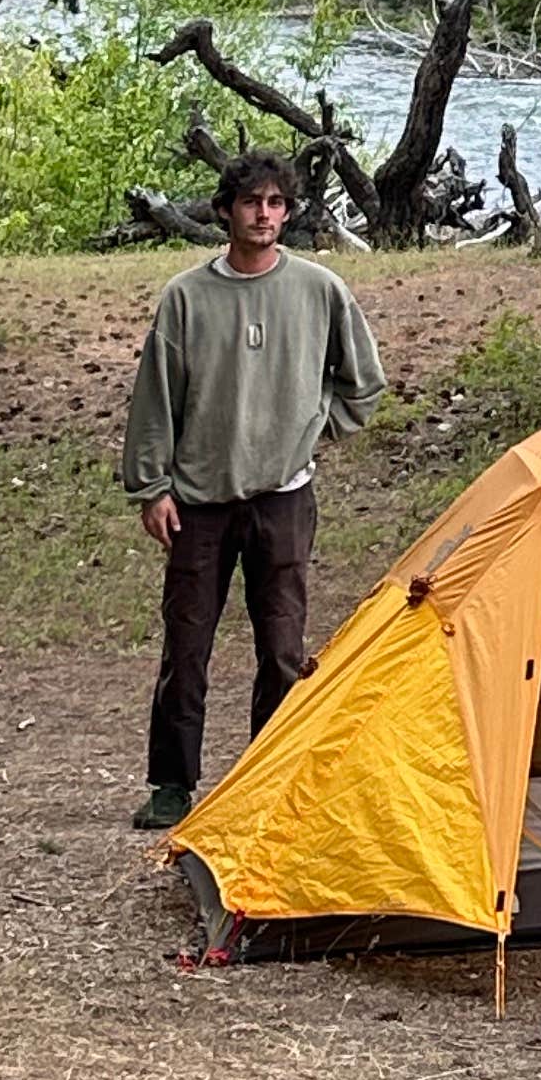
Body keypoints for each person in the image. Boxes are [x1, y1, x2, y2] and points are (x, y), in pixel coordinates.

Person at [121, 151, 387, 831]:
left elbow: (363, 381)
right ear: (225, 212)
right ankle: (173, 784)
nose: (263, 215)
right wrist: (153, 488)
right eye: (251, 203)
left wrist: (315, 428)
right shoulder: (186, 298)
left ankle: (269, 776)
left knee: (282, 647)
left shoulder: (320, 289)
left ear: (288, 212)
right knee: (187, 646)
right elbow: (155, 401)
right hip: (200, 500)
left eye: (275, 203)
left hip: (284, 497)